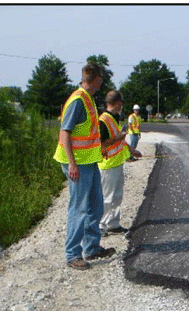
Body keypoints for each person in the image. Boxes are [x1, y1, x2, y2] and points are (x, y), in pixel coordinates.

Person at [54, 63, 115, 270]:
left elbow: (87, 134)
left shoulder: (87, 99)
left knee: (96, 206)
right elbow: (65, 133)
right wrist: (72, 164)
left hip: (89, 161)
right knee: (79, 208)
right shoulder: (78, 100)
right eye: (101, 80)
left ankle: (92, 247)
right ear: (96, 79)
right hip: (78, 165)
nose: (101, 84)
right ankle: (72, 254)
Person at [98, 91, 143, 236]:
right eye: (121, 104)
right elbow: (101, 143)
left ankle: (113, 223)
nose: (122, 107)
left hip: (116, 162)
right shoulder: (103, 120)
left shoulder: (114, 118)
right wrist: (118, 137)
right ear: (118, 103)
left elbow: (119, 140)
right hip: (107, 164)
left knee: (116, 196)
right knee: (107, 197)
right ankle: (101, 225)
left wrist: (131, 150)